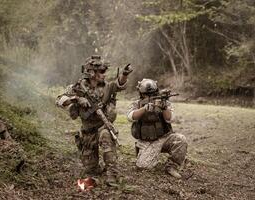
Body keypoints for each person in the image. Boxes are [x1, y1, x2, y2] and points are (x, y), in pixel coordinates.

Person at [56, 55, 133, 185]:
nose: (104, 74)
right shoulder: (78, 87)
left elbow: (120, 85)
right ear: (91, 73)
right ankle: (96, 169)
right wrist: (77, 99)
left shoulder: (107, 87)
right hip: (88, 132)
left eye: (105, 71)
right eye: (102, 71)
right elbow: (59, 100)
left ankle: (112, 173)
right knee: (90, 169)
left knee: (106, 134)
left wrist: (124, 74)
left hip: (102, 127)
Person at [127, 78, 187, 178]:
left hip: (164, 138)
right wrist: (144, 109)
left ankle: (172, 166)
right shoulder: (137, 103)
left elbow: (170, 119)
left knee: (181, 139)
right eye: (147, 94)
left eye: (153, 93)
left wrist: (164, 108)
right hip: (147, 141)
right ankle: (142, 149)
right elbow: (130, 117)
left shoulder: (164, 102)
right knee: (143, 167)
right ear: (141, 94)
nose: (151, 96)